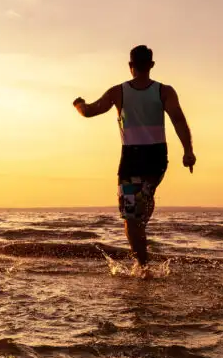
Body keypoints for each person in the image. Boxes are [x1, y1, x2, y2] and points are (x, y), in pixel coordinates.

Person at [72, 45, 195, 268]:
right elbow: (179, 121)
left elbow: (90, 111)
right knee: (141, 206)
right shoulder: (164, 91)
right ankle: (143, 251)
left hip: (132, 160)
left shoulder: (118, 92)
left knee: (131, 218)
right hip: (158, 159)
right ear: (151, 65)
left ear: (130, 67)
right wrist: (188, 151)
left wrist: (77, 104)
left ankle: (143, 267)